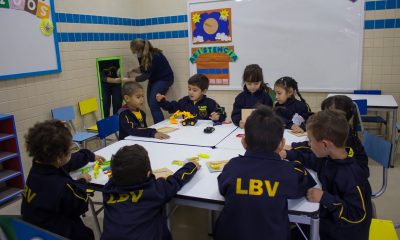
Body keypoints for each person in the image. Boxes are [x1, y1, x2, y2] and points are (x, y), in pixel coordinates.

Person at [215, 106, 316, 240]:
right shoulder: (288, 171)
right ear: (282, 144)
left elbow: (223, 188)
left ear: (244, 142)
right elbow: (305, 182)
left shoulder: (232, 166)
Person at [281, 110, 372, 239]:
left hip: (343, 232)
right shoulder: (329, 158)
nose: (309, 144)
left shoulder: (351, 176)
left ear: (324, 144)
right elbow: (311, 160)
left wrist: (325, 198)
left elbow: (357, 215)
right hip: (329, 216)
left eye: (310, 141)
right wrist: (287, 154)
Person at [101, 144, 200, 240]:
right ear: (149, 173)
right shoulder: (154, 191)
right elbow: (176, 180)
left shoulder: (108, 190)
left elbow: (113, 180)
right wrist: (192, 165)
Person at [21, 120, 95, 240]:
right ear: (59, 157)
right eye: (71, 150)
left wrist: (90, 156)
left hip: (32, 230)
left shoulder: (37, 168)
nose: (72, 153)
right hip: (55, 234)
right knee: (87, 234)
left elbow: (70, 162)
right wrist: (81, 182)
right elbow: (81, 205)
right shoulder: (63, 186)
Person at [290, 95, 369, 176]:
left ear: (337, 118)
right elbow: (315, 145)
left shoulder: (345, 140)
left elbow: (319, 160)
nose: (323, 117)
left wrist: (293, 153)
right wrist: (294, 146)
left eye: (326, 114)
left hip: (352, 176)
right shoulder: (336, 131)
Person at [128, 39, 174, 124]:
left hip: (164, 79)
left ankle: (160, 127)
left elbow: (145, 76)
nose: (135, 54)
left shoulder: (154, 56)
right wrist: (134, 70)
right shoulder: (142, 55)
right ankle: (157, 125)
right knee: (150, 103)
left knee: (154, 104)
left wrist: (129, 79)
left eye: (135, 52)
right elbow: (144, 69)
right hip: (155, 79)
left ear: (140, 50)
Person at [156, 74, 227, 122]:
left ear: (203, 91)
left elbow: (222, 113)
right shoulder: (184, 101)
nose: (191, 92)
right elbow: (172, 107)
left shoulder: (210, 103)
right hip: (188, 131)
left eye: (194, 90)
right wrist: (162, 101)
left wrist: (218, 117)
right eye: (189, 89)